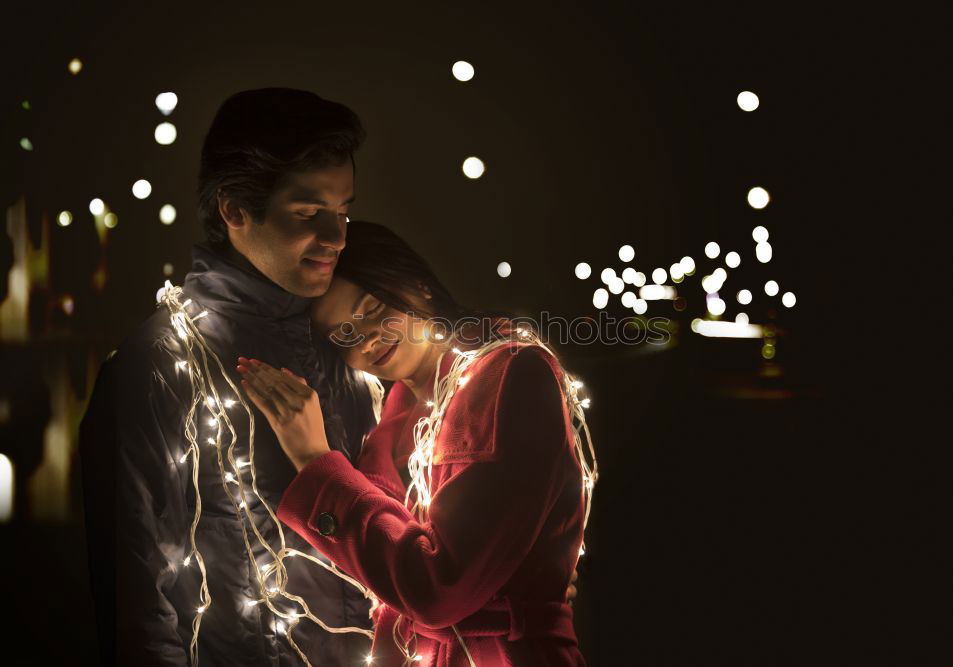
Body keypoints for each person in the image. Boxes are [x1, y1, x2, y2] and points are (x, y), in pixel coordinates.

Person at [79, 88, 377, 666]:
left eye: (343, 211)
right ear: (234, 209)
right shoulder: (158, 368)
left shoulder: (354, 356)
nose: (338, 236)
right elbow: (137, 607)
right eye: (308, 213)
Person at [237, 222, 592, 666]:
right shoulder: (384, 423)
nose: (364, 337)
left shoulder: (511, 376)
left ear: (418, 286)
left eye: (373, 307)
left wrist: (314, 460)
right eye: (342, 333)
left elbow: (438, 590)